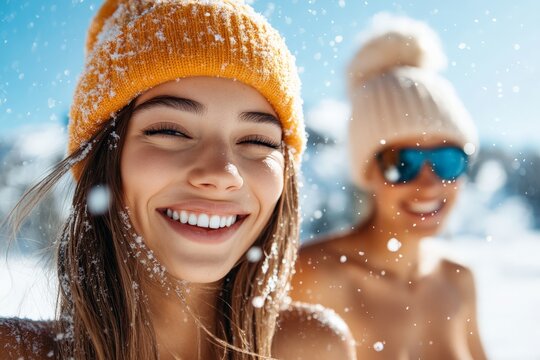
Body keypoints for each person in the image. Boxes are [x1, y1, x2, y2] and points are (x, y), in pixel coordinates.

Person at [0, 1, 356, 359]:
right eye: (170, 130)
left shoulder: (314, 347)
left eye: (257, 140)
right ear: (104, 159)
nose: (222, 174)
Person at [291, 14, 487, 359]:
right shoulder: (311, 276)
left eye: (447, 161)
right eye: (403, 164)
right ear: (367, 172)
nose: (429, 183)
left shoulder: (459, 282)